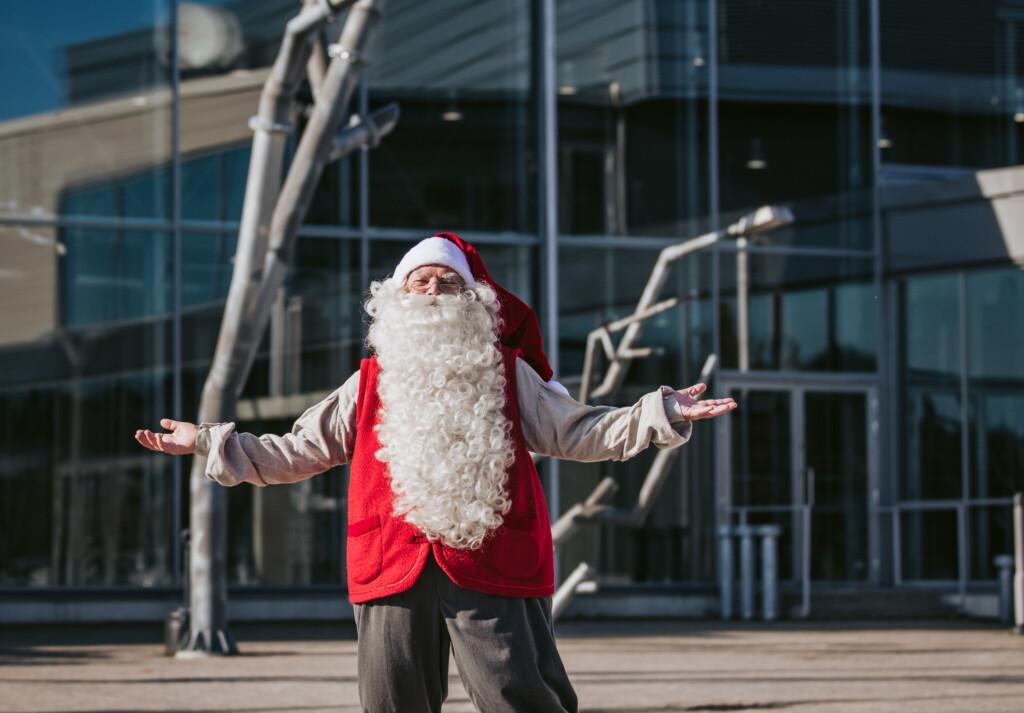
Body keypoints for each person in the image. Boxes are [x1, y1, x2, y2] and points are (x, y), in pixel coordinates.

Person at [136, 233, 737, 713]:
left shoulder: (508, 371)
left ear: (473, 300)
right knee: (392, 703)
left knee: (517, 697)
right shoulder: (367, 382)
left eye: (447, 282)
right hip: (391, 563)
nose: (432, 290)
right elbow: (298, 450)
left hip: (492, 558)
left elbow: (578, 431)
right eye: (419, 282)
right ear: (397, 301)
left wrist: (658, 411)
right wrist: (209, 440)